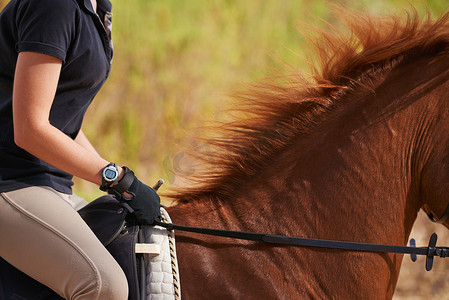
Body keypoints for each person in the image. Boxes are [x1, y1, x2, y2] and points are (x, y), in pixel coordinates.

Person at [0, 0, 161, 299]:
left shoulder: (97, 10)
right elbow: (31, 129)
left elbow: (63, 121)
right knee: (105, 287)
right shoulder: (54, 6)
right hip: (10, 179)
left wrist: (120, 182)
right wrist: (115, 177)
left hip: (47, 182)